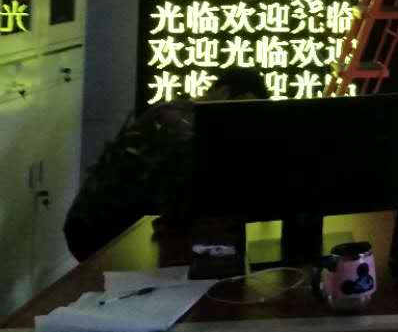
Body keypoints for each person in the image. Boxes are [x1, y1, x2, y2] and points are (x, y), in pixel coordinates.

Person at [62, 69, 268, 261]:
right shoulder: (177, 120)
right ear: (223, 92)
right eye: (241, 106)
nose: (241, 117)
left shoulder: (185, 114)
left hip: (116, 224)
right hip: (100, 226)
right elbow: (191, 179)